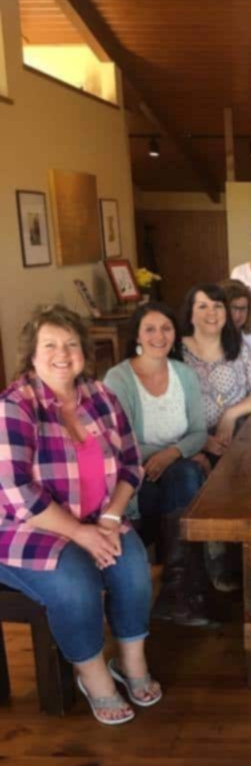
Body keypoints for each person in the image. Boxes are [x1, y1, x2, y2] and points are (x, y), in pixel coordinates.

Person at [0, 305, 161, 725]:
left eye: (71, 344)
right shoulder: (15, 406)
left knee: (134, 566)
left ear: (84, 352)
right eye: (49, 345)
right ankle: (91, 676)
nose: (62, 353)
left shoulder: (101, 397)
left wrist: (108, 520)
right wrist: (79, 534)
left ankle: (130, 662)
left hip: (98, 518)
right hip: (27, 528)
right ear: (32, 355)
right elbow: (16, 492)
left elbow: (131, 464)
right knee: (76, 583)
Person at [104, 302, 218, 628]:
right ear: (137, 335)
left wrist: (173, 453)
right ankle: (183, 592)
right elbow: (123, 444)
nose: (159, 336)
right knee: (188, 475)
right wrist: (179, 452)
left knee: (185, 475)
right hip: (136, 485)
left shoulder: (183, 374)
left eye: (166, 328)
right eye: (150, 329)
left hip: (177, 474)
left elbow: (199, 432)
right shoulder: (119, 378)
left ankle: (179, 591)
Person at [180, 284, 251, 467]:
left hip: (236, 437)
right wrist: (200, 441)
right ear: (190, 315)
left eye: (218, 306)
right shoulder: (176, 352)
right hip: (191, 444)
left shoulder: (237, 346)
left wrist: (230, 415)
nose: (212, 312)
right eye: (203, 306)